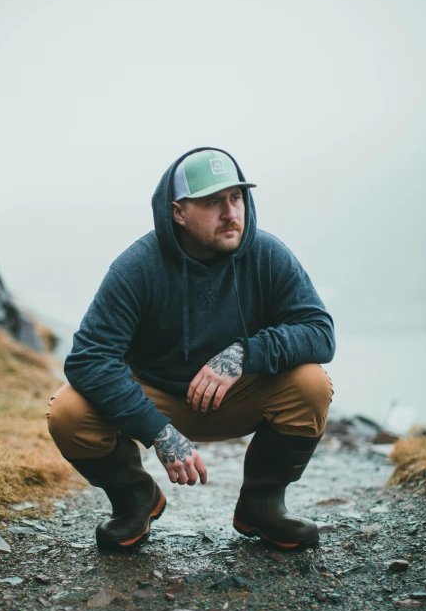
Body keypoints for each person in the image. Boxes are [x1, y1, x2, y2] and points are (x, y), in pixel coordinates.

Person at [46, 147, 335, 552]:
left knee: (311, 384)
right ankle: (134, 499)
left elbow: (319, 332)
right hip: (159, 400)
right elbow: (90, 359)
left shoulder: (268, 255)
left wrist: (240, 355)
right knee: (68, 411)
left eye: (236, 198)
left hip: (238, 397)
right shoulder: (137, 267)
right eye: (213, 202)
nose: (231, 213)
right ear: (178, 212)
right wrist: (158, 431)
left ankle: (262, 505)